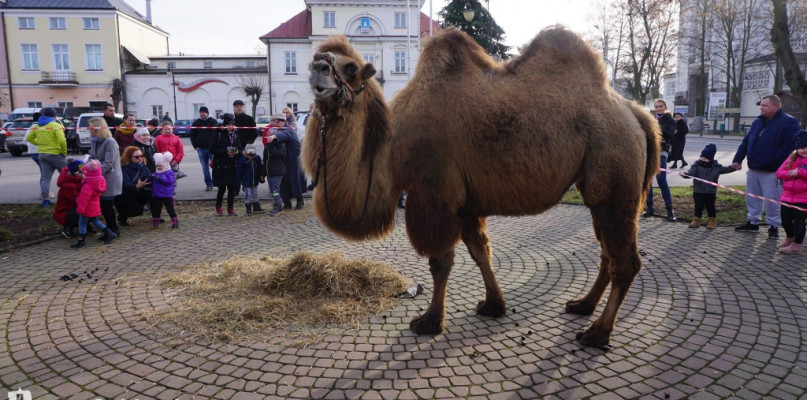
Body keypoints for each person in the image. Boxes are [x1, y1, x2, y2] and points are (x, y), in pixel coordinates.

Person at [732, 94, 801, 238]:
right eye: (761, 105)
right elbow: (746, 142)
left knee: (772, 199)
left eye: (765, 105)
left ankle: (774, 226)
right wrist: (738, 159)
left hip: (772, 170)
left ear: (776, 106)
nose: (761, 108)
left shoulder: (789, 122)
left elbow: (789, 146)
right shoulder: (758, 122)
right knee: (752, 197)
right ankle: (753, 222)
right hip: (754, 168)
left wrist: (774, 160)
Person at [679, 143, 736, 228]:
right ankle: (696, 220)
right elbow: (691, 173)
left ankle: (712, 221)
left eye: (705, 158)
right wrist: (685, 174)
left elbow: (726, 169)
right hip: (698, 191)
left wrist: (734, 167)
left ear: (710, 158)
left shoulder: (717, 167)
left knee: (711, 206)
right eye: (701, 156)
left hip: (711, 192)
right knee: (698, 206)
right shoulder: (696, 165)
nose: (702, 159)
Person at [88, 117, 123, 239]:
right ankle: (110, 230)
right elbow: (92, 157)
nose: (89, 130)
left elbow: (109, 162)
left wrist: (94, 174)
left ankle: (113, 230)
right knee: (103, 205)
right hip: (99, 177)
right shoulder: (94, 141)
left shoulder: (110, 142)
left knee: (107, 205)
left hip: (110, 177)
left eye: (91, 127)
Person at [71, 160, 118, 248]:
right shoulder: (99, 181)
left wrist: (80, 209)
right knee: (95, 221)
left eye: (83, 174)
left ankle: (81, 240)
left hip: (87, 209)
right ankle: (110, 233)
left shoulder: (87, 186)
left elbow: (84, 200)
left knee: (82, 223)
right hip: (94, 206)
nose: (82, 175)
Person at [642, 99, 676, 221]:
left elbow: (669, 135)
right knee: (648, 181)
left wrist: (656, 126)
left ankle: (670, 210)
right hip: (649, 151)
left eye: (660, 106)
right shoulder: (650, 118)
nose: (658, 108)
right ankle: (650, 208)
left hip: (662, 151)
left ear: (665, 107)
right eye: (656, 107)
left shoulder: (670, 120)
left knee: (661, 180)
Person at [25, 108, 67, 207]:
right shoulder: (56, 126)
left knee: (45, 178)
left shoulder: (36, 126)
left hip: (42, 154)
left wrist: (40, 145)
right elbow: (62, 140)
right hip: (56, 154)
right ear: (54, 116)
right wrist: (63, 152)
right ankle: (69, 197)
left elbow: (29, 138)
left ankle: (45, 200)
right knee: (67, 175)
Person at [774, 135, 807, 253]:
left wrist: (799, 172)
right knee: (785, 220)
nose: (805, 150)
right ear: (797, 148)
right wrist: (791, 173)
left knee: (799, 222)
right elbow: (779, 173)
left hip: (804, 198)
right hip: (787, 196)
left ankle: (797, 245)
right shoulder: (791, 158)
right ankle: (790, 238)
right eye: (802, 147)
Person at [264, 113, 303, 210]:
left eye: (279, 121)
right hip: (283, 159)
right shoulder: (276, 130)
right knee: (284, 182)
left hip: (293, 159)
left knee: (294, 180)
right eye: (275, 121)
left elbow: (285, 135)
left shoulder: (288, 129)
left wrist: (274, 137)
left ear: (284, 121)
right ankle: (287, 202)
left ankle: (299, 200)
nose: (277, 123)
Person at [209, 114, 241, 216]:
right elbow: (212, 149)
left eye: (232, 124)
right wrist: (225, 152)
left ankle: (230, 208)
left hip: (232, 164)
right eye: (228, 124)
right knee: (222, 188)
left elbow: (240, 149)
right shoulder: (218, 134)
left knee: (231, 188)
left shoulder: (235, 135)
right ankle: (218, 206)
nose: (230, 127)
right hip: (220, 164)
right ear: (224, 125)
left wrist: (236, 152)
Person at [116, 146, 152, 226]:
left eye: (141, 156)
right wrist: (136, 186)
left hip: (140, 192)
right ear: (129, 157)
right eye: (136, 157)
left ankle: (156, 217)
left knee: (155, 195)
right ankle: (122, 216)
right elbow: (125, 184)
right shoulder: (124, 168)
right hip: (126, 195)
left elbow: (150, 176)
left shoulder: (143, 167)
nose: (140, 158)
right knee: (136, 210)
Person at [55, 157, 84, 238]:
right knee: (83, 208)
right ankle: (68, 228)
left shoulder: (77, 180)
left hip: (71, 209)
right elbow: (78, 200)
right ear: (75, 173)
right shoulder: (68, 186)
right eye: (82, 172)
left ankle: (85, 226)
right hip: (64, 212)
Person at [190, 106, 218, 191]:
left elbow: (217, 134)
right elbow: (192, 135)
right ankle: (209, 184)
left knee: (215, 166)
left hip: (212, 149)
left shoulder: (213, 121)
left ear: (207, 113)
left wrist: (216, 145)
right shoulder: (196, 123)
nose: (202, 113)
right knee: (205, 168)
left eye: (204, 112)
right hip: (201, 149)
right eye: (201, 112)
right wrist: (196, 146)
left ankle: (217, 182)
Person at [150, 151, 179, 228]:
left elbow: (169, 182)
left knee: (170, 209)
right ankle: (156, 221)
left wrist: (160, 179)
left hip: (166, 195)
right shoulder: (156, 173)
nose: (159, 167)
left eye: (160, 166)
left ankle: (174, 221)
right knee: (156, 209)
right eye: (157, 166)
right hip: (157, 195)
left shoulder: (169, 172)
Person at [263, 127, 286, 217]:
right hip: (270, 171)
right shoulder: (267, 146)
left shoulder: (280, 144)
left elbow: (280, 154)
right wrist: (263, 173)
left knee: (275, 189)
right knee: (273, 190)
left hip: (278, 170)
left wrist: (272, 145)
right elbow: (265, 160)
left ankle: (277, 206)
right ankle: (277, 205)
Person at [236, 144, 265, 215]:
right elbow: (239, 172)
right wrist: (238, 183)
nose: (251, 157)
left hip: (254, 180)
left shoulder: (257, 158)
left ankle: (256, 206)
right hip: (246, 181)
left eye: (253, 155)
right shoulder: (242, 160)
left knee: (255, 194)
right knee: (248, 194)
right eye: (249, 155)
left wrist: (261, 176)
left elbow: (260, 168)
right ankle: (248, 207)